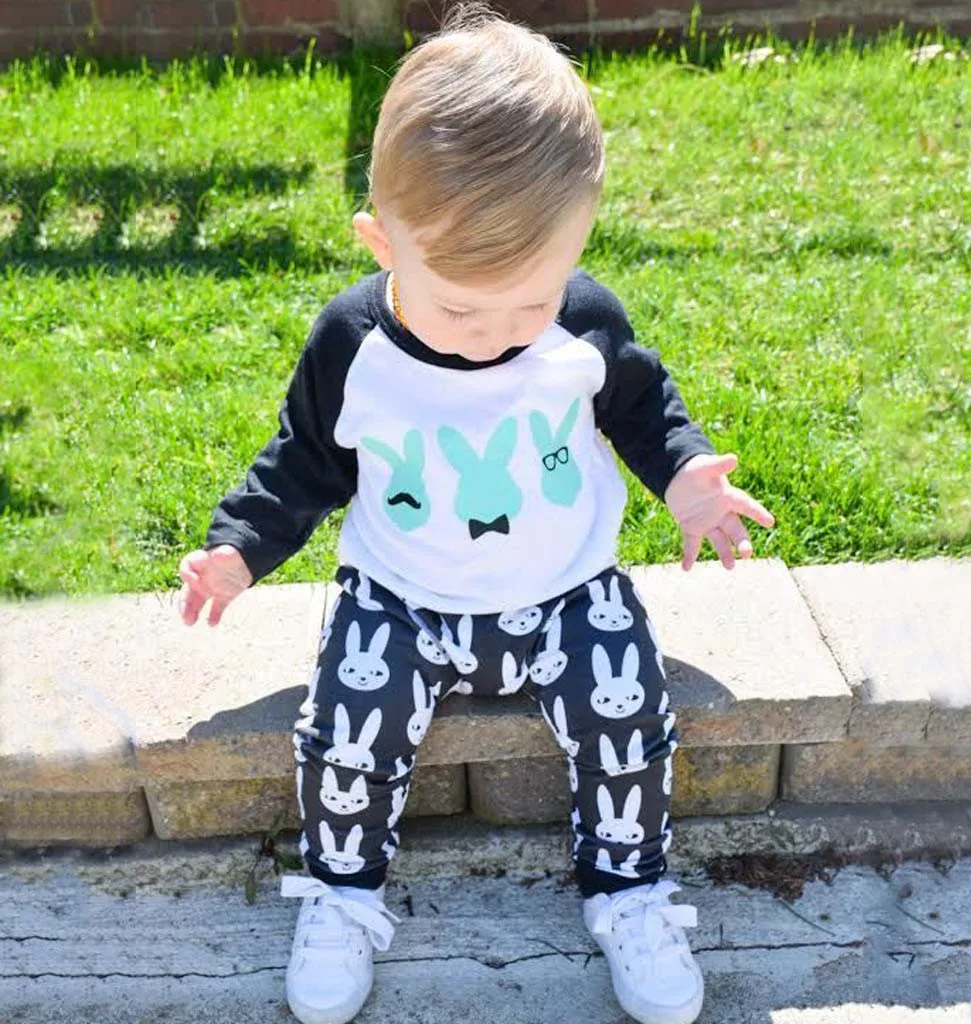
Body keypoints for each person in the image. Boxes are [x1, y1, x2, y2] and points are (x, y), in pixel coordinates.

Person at [177, 4, 775, 1022]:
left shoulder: (583, 322)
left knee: (627, 713)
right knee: (347, 733)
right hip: (400, 593)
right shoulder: (352, 344)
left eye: (529, 302)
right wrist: (238, 547)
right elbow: (305, 459)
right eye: (459, 307)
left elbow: (642, 408)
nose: (494, 334)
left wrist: (684, 478)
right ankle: (342, 893)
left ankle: (628, 890)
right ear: (382, 241)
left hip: (566, 588)